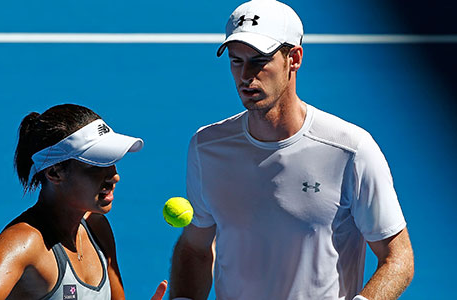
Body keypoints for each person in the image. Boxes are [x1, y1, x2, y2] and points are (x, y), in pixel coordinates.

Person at [169, 1, 414, 299]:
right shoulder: (206, 147)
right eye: (236, 61)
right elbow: (195, 247)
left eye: (259, 61)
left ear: (293, 58)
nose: (246, 75)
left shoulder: (350, 150)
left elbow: (398, 257)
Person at [0, 104, 166, 300]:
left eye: (111, 161)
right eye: (96, 164)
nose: (114, 176)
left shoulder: (97, 227)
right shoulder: (24, 243)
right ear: (54, 172)